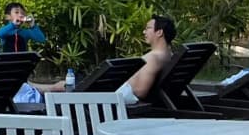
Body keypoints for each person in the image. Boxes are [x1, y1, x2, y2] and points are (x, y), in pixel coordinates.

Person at [39, 15, 180, 105]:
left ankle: (37, 88)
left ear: (159, 32)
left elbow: (140, 91)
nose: (144, 32)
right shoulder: (168, 54)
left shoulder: (154, 57)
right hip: (118, 90)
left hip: (118, 95)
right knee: (72, 82)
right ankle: (36, 88)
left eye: (148, 28)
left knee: (64, 85)